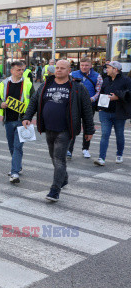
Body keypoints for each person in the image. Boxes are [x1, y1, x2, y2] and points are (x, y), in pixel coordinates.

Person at [23, 60, 94, 202]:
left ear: (69, 71)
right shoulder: (45, 84)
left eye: (62, 68)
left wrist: (89, 130)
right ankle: (64, 178)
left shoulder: (78, 87)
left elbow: (87, 110)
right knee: (53, 157)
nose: (59, 70)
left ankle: (55, 190)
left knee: (59, 159)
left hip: (66, 129)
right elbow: (34, 102)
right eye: (57, 68)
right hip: (48, 128)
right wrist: (27, 117)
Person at [0, 61, 35, 184]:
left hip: (22, 121)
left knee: (18, 146)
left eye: (22, 69)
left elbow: (34, 101)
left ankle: (14, 172)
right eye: (18, 70)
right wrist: (0, 104)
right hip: (8, 120)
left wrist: (28, 116)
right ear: (12, 71)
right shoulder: (3, 84)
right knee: (12, 146)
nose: (21, 72)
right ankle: (17, 166)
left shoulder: (27, 83)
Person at [94, 61, 131, 166]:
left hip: (119, 113)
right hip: (105, 113)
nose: (106, 70)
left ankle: (119, 154)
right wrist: (99, 108)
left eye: (109, 67)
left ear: (116, 69)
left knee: (119, 135)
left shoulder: (126, 80)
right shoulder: (106, 80)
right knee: (105, 134)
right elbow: (101, 93)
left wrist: (117, 97)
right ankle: (101, 158)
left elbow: (129, 94)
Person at [68, 56, 103, 159]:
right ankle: (69, 150)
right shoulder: (72, 74)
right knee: (72, 126)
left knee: (88, 127)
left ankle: (85, 149)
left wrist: (91, 99)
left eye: (86, 65)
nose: (84, 67)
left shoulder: (97, 76)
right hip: (74, 105)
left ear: (91, 65)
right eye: (82, 65)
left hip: (89, 106)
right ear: (79, 65)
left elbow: (98, 91)